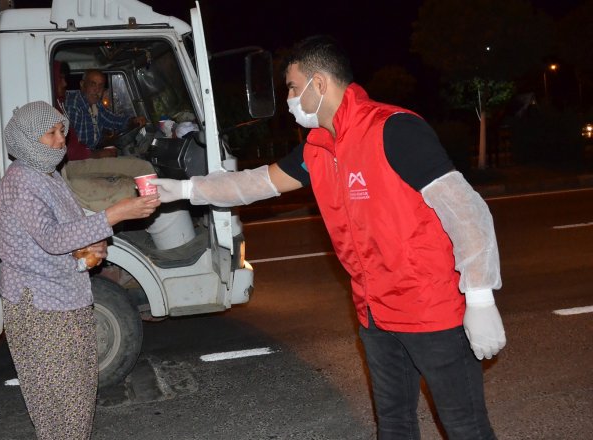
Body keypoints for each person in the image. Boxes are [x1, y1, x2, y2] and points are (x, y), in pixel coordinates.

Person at [151, 35, 506, 440]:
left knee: (465, 428)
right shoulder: (317, 148)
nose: (288, 98)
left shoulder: (393, 129)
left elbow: (467, 211)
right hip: (375, 313)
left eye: (291, 86)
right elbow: (255, 183)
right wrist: (183, 191)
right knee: (393, 424)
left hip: (431, 311)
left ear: (319, 84)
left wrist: (479, 298)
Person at [0, 101, 160, 439]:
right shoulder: (21, 181)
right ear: (28, 139)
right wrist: (115, 213)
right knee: (60, 403)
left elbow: (65, 230)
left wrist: (91, 245)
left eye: (62, 132)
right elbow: (52, 238)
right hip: (40, 307)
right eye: (52, 133)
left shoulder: (47, 174)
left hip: (64, 297)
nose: (61, 140)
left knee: (78, 396)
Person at [63, 68, 146, 152]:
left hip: (91, 153)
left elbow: (112, 120)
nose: (97, 90)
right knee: (140, 165)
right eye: (93, 84)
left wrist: (133, 120)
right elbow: (72, 147)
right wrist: (98, 155)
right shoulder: (73, 105)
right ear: (82, 84)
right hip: (78, 160)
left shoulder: (95, 104)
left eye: (101, 86)